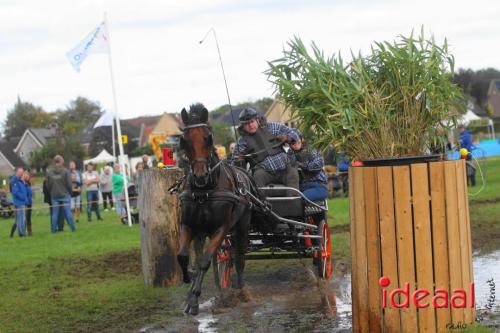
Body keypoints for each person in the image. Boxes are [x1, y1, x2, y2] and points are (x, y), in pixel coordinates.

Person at [232, 108, 299, 189]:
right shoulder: (241, 142)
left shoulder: (273, 127)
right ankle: (262, 201)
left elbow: (295, 133)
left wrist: (288, 137)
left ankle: (293, 200)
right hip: (263, 172)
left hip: (285, 168)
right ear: (242, 126)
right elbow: (234, 165)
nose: (250, 125)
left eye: (252, 121)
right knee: (256, 178)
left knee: (293, 174)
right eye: (247, 124)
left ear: (257, 120)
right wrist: (238, 161)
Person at [290, 134, 328, 201]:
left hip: (317, 185)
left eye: (297, 140)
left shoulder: (311, 150)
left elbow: (319, 163)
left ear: (301, 140)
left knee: (297, 200)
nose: (295, 143)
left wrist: (302, 165)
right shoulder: (289, 154)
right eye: (292, 142)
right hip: (300, 188)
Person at [46, 155, 76, 233]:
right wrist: (70, 192)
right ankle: (73, 228)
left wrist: (51, 192)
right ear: (60, 161)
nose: (63, 161)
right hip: (65, 194)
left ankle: (53, 230)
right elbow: (69, 184)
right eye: (63, 159)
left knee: (54, 213)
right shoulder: (66, 171)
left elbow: (47, 185)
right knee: (68, 212)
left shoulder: (49, 171)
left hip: (54, 195)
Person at [10, 167, 27, 237]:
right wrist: (23, 198)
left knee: (21, 219)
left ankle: (21, 233)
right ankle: (22, 234)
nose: (22, 173)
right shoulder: (15, 180)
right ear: (17, 172)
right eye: (21, 172)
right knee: (21, 219)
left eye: (22, 172)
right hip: (19, 203)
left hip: (22, 202)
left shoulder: (20, 180)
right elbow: (15, 192)